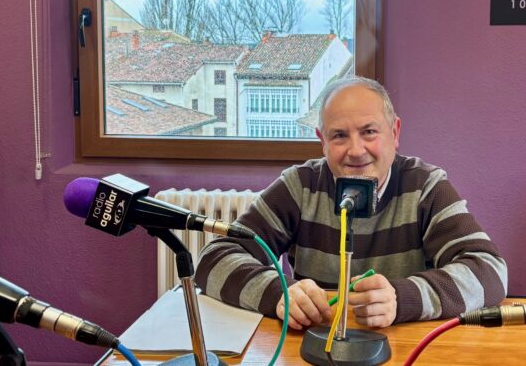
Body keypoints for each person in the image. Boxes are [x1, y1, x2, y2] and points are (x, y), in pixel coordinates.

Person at [194, 76, 507, 329]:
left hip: (403, 346)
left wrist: (402, 298)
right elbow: (213, 259)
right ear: (323, 141)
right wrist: (281, 294)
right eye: (339, 136)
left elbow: (489, 271)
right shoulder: (299, 186)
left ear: (395, 132)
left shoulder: (426, 187)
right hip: (313, 343)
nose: (356, 151)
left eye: (369, 132)